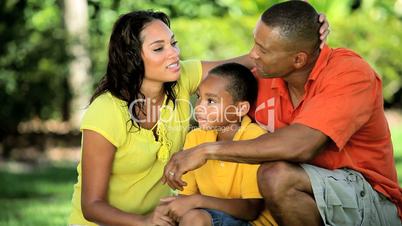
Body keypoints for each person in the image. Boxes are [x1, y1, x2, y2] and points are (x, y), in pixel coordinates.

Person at [68, 8, 329, 226]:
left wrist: (304, 29)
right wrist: (145, 221)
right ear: (133, 58)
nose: (174, 54)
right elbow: (92, 206)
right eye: (159, 48)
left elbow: (251, 61)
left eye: (173, 43)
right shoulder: (106, 111)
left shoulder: (181, 78)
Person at [162, 1, 402, 226]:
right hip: (300, 196)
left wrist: (207, 151)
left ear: (298, 59)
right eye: (254, 43)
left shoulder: (350, 74)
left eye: (263, 49)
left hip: (369, 200)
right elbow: (203, 80)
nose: (253, 54)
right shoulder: (265, 76)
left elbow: (301, 145)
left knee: (276, 176)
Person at [162, 63, 277, 226]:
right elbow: (186, 200)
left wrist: (196, 201)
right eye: (199, 97)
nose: (199, 108)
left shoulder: (255, 138)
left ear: (240, 109)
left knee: (195, 219)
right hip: (210, 217)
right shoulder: (195, 138)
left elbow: (251, 210)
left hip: (252, 223)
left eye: (211, 101)